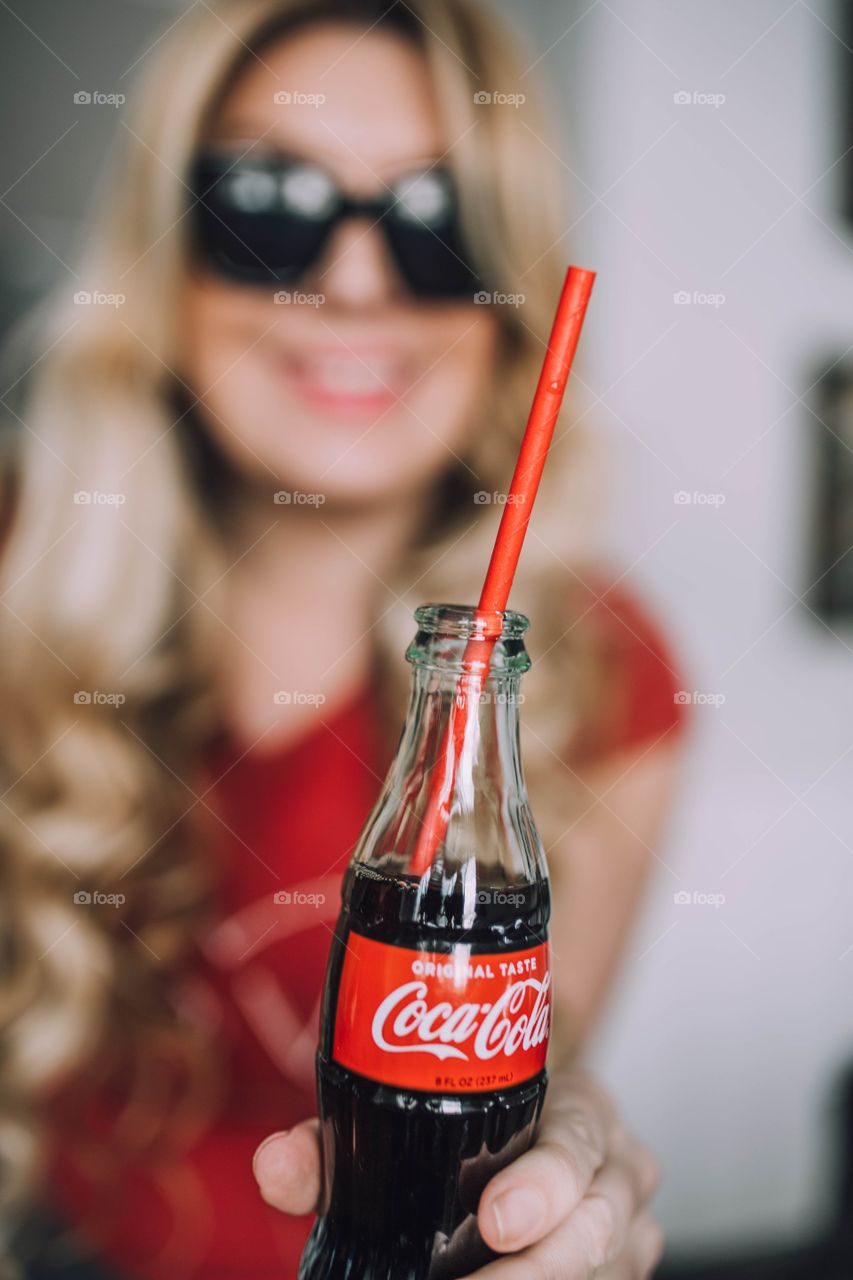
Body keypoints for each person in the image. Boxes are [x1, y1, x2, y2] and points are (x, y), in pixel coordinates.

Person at [0, 0, 685, 1275]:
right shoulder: (13, 575)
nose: (356, 285)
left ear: (506, 302)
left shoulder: (609, 672)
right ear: (165, 256)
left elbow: (532, 1060)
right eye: (270, 204)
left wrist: (563, 1159)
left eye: (437, 226)